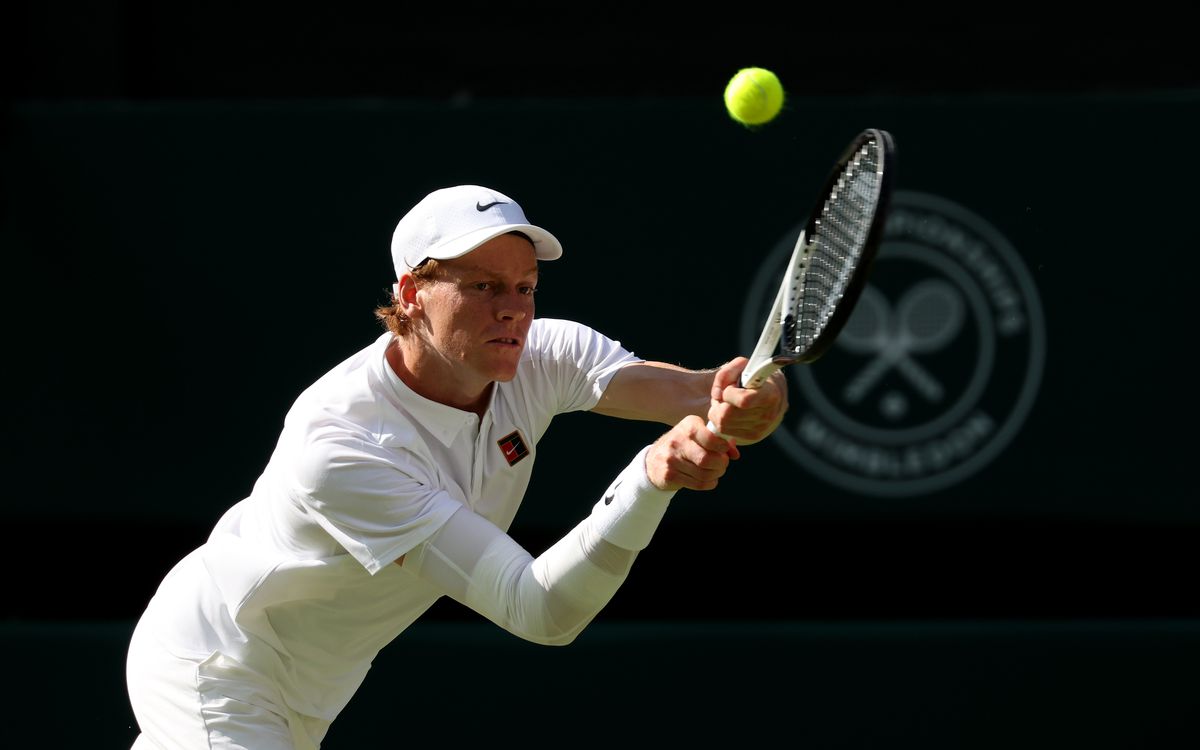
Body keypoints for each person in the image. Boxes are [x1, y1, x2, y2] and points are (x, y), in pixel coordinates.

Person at [125, 184, 788, 749]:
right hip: (219, 664)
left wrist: (754, 399)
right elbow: (539, 610)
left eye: (526, 287)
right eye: (484, 287)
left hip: (312, 687)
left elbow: (699, 393)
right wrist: (650, 479)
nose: (515, 310)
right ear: (412, 291)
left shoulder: (543, 355)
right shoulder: (343, 446)